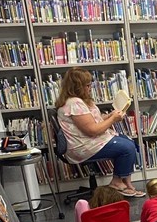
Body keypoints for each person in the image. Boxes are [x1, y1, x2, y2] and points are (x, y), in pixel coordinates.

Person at [55, 67, 144, 197]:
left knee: (129, 142)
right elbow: (92, 130)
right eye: (87, 85)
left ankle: (126, 182)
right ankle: (117, 183)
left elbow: (92, 121)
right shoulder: (74, 103)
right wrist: (113, 119)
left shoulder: (78, 100)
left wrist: (109, 116)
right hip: (83, 146)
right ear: (77, 87)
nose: (90, 87)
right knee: (127, 148)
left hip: (89, 141)